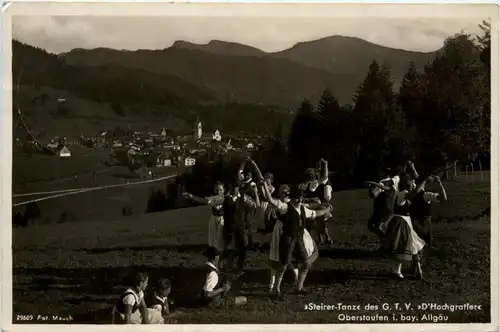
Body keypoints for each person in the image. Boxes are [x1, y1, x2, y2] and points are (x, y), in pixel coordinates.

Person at [265, 184, 332, 299]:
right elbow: (270, 200)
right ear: (292, 198)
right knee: (283, 265)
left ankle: (298, 287)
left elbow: (315, 214)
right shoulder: (285, 207)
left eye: (301, 197)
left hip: (298, 240)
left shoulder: (302, 208)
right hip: (287, 239)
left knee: (306, 263)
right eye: (297, 197)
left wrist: (327, 209)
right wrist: (264, 186)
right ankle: (276, 290)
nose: (300, 199)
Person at [374, 174, 427, 280]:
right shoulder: (403, 194)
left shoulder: (403, 193)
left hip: (404, 221)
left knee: (411, 244)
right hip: (401, 222)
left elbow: (416, 193)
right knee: (401, 247)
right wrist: (424, 180)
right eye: (411, 182)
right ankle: (397, 271)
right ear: (406, 184)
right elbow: (415, 192)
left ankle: (414, 269)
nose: (413, 183)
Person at [183, 182, 226, 253]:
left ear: (224, 190)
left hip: (222, 219)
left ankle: (219, 254)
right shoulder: (213, 197)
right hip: (214, 218)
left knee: (219, 238)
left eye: (220, 190)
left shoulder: (225, 197)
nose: (219, 192)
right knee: (211, 238)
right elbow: (202, 200)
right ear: (214, 190)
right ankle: (213, 252)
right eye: (217, 190)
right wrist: (191, 196)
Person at [298, 159, 333, 245]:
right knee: (317, 221)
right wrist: (325, 165)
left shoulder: (301, 185)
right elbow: (324, 176)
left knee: (313, 222)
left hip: (308, 206)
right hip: (314, 206)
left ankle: (323, 238)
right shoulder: (313, 184)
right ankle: (325, 238)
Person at [410, 175, 448, 249]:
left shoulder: (409, 193)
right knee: (426, 240)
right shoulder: (426, 195)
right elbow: (444, 197)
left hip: (413, 221)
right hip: (424, 222)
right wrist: (439, 183)